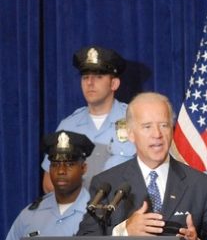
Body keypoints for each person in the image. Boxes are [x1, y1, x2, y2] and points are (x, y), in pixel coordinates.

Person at [77, 92, 207, 240]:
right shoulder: (106, 183)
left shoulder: (202, 185)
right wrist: (124, 232)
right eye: (147, 127)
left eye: (164, 125)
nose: (157, 134)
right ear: (131, 134)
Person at [41, 45, 136, 192]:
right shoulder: (69, 126)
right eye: (85, 77)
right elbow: (48, 183)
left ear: (114, 83)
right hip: (79, 211)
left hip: (124, 209)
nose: (90, 83)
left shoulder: (135, 119)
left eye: (98, 76)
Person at [1, 131, 94, 240]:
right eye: (55, 164)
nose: (61, 171)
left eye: (69, 164)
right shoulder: (29, 215)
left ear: (83, 168)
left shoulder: (97, 213)